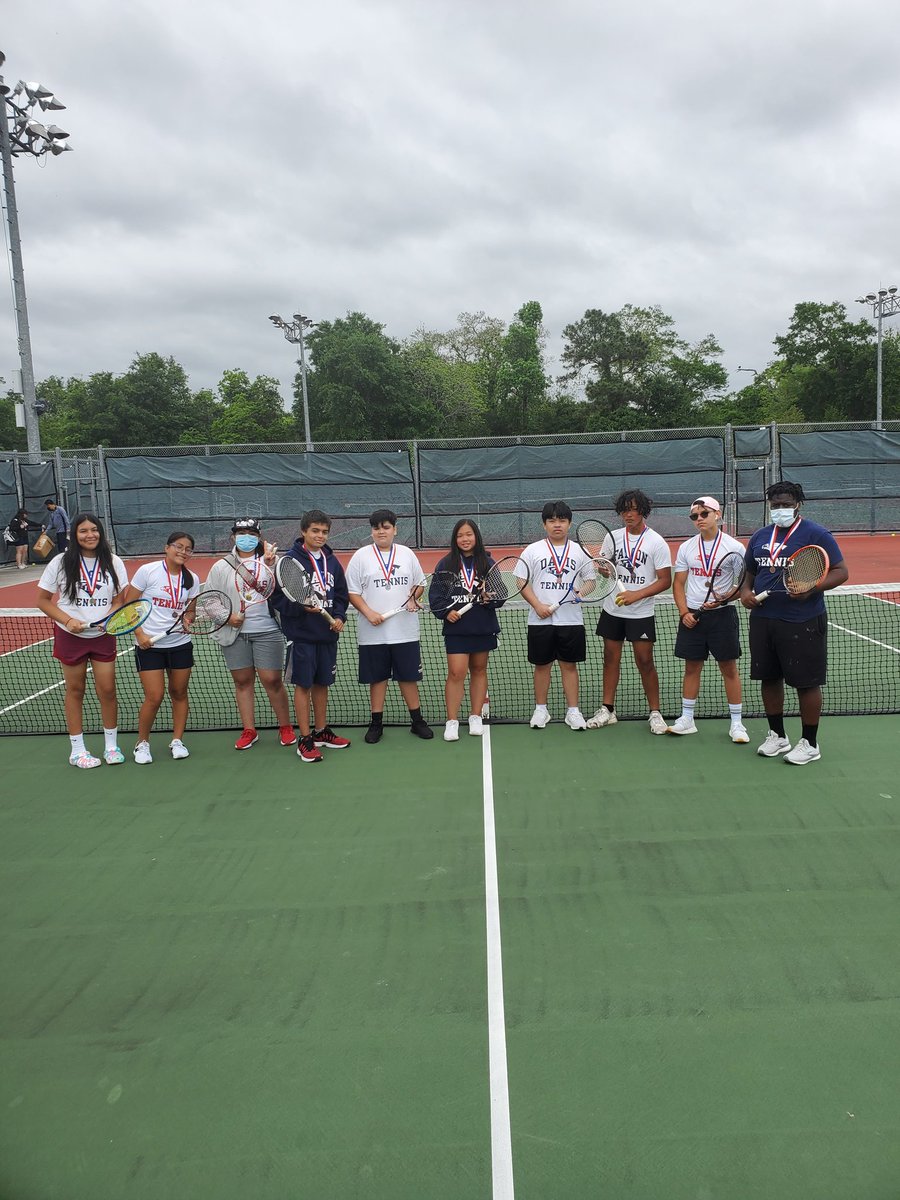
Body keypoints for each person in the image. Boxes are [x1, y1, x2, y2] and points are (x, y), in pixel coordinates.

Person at [740, 481, 848, 765]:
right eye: (775, 505)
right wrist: (745, 593)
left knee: (806, 683)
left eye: (786, 504)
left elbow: (841, 571)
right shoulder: (761, 536)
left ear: (798, 504)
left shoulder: (816, 533)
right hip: (763, 619)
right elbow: (750, 572)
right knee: (769, 678)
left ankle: (810, 743)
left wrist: (812, 589)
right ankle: (777, 736)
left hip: (802, 620)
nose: (780, 509)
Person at [34, 513, 128, 768]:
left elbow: (119, 600)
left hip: (102, 635)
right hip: (70, 636)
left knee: (107, 690)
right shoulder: (61, 562)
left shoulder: (115, 562)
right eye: (83, 530)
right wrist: (67, 621)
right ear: (74, 534)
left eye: (94, 530)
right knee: (75, 690)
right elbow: (42, 600)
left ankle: (111, 746)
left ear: (101, 532)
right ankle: (77, 751)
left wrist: (109, 618)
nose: (90, 535)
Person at [586, 488, 672, 734]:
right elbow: (606, 568)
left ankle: (655, 713)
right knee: (610, 659)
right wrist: (604, 570)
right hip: (613, 609)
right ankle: (608, 710)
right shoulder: (612, 537)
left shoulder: (656, 542)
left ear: (643, 510)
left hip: (641, 613)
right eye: (625, 509)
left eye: (634, 509)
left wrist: (637, 594)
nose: (629, 514)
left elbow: (664, 580)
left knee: (645, 661)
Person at [206, 518, 296, 750]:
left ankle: (285, 727)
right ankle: (249, 730)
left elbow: (279, 590)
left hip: (268, 631)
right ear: (233, 536)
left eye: (251, 533)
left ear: (258, 536)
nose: (246, 537)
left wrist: (269, 562)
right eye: (241, 532)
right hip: (234, 634)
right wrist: (227, 617)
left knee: (272, 680)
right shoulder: (221, 566)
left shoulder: (271, 561)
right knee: (243, 682)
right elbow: (210, 599)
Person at [345, 508, 434, 743]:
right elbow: (352, 592)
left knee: (408, 677)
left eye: (385, 527)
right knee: (378, 678)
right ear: (371, 531)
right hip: (372, 633)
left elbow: (419, 584)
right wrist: (368, 612)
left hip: (405, 631)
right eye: (376, 528)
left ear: (395, 529)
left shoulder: (406, 554)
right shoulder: (360, 557)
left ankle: (417, 721)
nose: (381, 531)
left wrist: (415, 597)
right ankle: (376, 724)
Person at [270, 509, 351, 764]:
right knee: (303, 685)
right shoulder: (290, 561)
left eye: (324, 532)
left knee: (322, 684)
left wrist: (339, 617)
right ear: (303, 531)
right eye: (315, 531)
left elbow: (340, 595)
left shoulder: (332, 561)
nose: (320, 536)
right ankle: (304, 738)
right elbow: (278, 600)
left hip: (327, 635)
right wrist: (301, 608)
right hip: (302, 636)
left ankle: (320, 732)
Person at [668, 496, 749, 743]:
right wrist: (684, 613)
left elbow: (742, 584)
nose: (699, 519)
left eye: (704, 514)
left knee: (729, 669)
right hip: (692, 616)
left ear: (718, 514)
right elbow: (678, 584)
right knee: (691, 668)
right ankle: (686, 719)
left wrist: (724, 599)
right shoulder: (686, 548)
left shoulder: (734, 547)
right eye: (694, 516)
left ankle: (737, 724)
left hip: (722, 616)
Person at [123, 531, 200, 764]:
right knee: (154, 696)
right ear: (167, 548)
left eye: (188, 549)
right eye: (178, 546)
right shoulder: (148, 571)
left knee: (178, 693)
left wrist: (188, 620)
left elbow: (191, 611)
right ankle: (142, 743)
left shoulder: (192, 579)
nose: (183, 552)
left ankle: (177, 741)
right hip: (149, 646)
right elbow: (129, 605)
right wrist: (139, 633)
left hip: (180, 644)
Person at [517, 501, 591, 731]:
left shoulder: (580, 551)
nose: (556, 525)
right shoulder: (533, 550)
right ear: (544, 524)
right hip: (540, 620)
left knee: (569, 666)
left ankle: (573, 711)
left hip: (571, 620)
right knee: (542, 666)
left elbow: (590, 581)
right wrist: (537, 605)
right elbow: (521, 580)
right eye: (552, 520)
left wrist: (581, 592)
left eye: (561, 520)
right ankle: (541, 709)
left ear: (569, 523)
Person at [429, 518, 500, 741]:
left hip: (482, 626)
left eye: (469, 534)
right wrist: (446, 612)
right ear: (455, 539)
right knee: (456, 673)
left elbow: (500, 593)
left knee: (479, 671)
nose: (465, 539)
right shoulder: (445, 564)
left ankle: (475, 716)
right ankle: (451, 721)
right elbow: (436, 597)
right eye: (460, 535)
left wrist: (490, 598)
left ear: (476, 536)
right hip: (457, 629)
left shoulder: (487, 563)